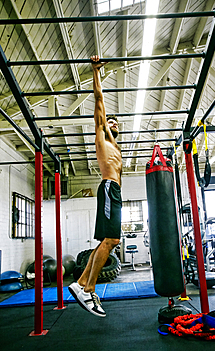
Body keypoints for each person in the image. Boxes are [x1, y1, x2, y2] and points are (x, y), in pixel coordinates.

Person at [69, 55, 122, 318]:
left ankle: (82, 285)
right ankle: (87, 286)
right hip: (109, 188)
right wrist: (96, 72)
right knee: (112, 239)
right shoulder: (101, 136)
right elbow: (99, 100)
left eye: (116, 123)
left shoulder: (117, 147)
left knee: (106, 241)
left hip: (116, 192)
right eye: (110, 121)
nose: (112, 124)